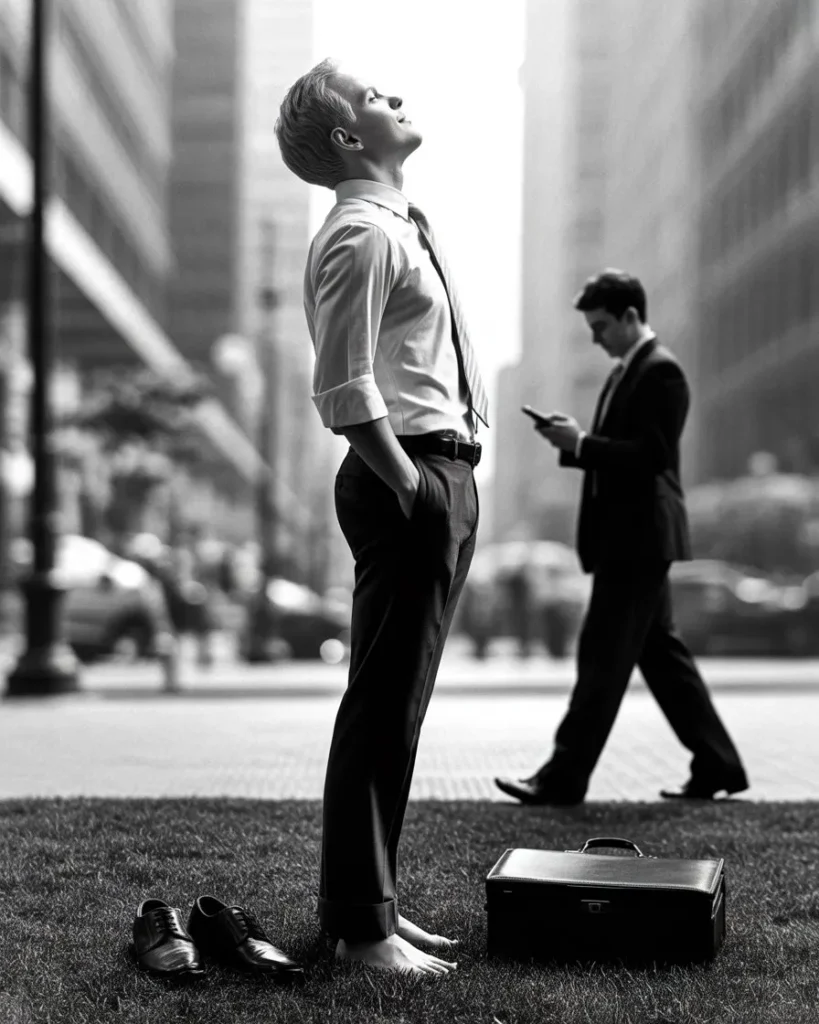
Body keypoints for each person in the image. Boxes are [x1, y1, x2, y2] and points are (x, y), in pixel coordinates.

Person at [275, 58, 488, 975]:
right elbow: (344, 383)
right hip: (405, 472)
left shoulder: (398, 227)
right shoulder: (362, 236)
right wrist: (411, 487)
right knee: (380, 704)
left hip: (431, 471)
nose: (394, 96)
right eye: (374, 97)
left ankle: (374, 912)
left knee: (396, 703)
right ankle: (364, 931)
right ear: (349, 138)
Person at [495, 269, 749, 806]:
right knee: (662, 659)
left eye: (601, 325)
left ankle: (562, 779)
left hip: (638, 541)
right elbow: (622, 447)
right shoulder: (626, 371)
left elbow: (651, 457)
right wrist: (576, 442)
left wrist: (582, 443)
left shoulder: (661, 372)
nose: (595, 337)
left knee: (602, 659)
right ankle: (719, 764)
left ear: (632, 315)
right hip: (631, 539)